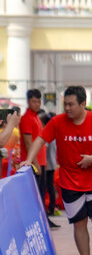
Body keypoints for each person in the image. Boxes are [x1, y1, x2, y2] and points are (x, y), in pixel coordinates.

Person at [22, 86, 92, 255]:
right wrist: (29, 159)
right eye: (65, 104)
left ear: (83, 104)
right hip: (70, 182)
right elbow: (40, 140)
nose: (67, 108)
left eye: (71, 104)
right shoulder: (57, 122)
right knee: (79, 223)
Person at [19, 89, 59, 229]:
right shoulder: (26, 119)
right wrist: (34, 162)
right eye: (34, 101)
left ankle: (44, 220)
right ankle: (38, 221)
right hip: (32, 163)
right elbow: (28, 141)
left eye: (38, 101)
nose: (37, 104)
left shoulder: (36, 117)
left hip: (41, 162)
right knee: (35, 195)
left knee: (42, 193)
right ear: (28, 101)